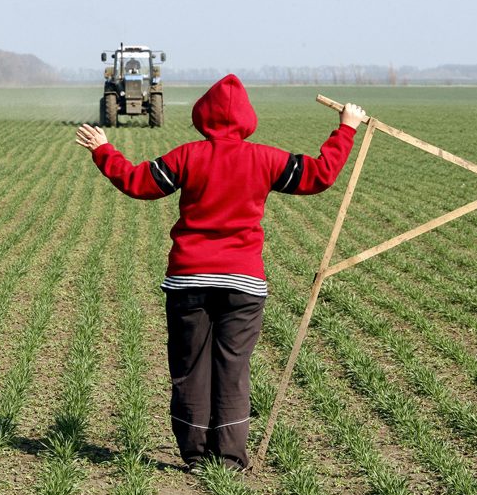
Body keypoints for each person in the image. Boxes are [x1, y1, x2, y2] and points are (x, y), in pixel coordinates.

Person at [74, 74, 366, 471]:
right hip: (243, 285)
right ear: (248, 119)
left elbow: (139, 183)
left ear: (202, 116)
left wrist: (105, 150)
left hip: (188, 282)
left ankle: (195, 455)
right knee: (233, 368)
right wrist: (346, 128)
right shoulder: (265, 158)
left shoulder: (188, 155)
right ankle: (229, 458)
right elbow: (319, 176)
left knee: (191, 368)